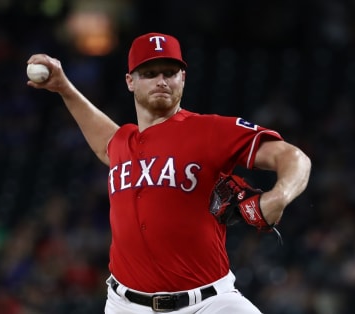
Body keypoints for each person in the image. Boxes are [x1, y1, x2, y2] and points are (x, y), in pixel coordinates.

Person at [27, 32, 312, 314]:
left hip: (209, 303)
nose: (161, 81)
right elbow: (105, 144)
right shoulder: (122, 143)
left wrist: (279, 195)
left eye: (170, 72)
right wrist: (64, 87)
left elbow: (293, 157)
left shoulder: (210, 130)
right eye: (150, 73)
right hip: (124, 305)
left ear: (183, 78)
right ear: (130, 81)